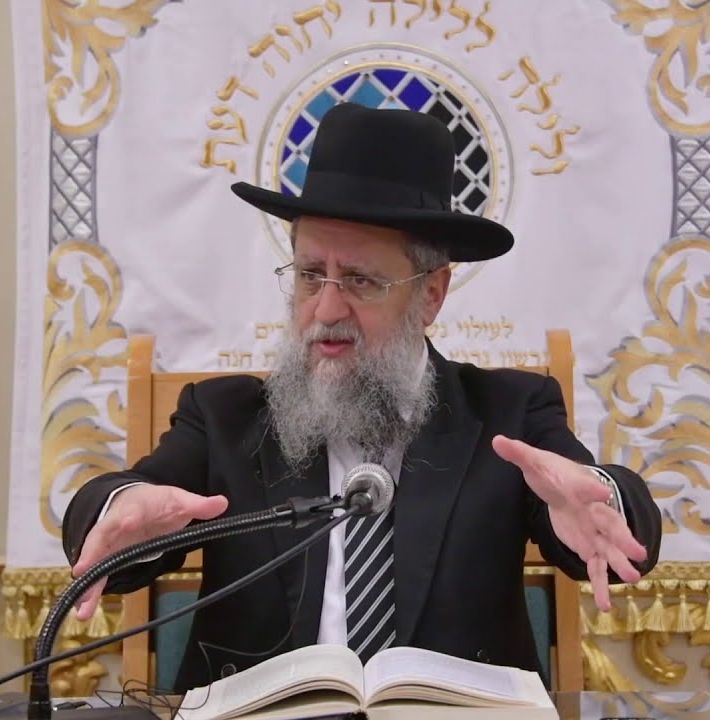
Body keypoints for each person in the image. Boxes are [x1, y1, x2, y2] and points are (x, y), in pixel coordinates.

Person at [62, 102, 662, 693]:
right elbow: (130, 503)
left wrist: (604, 501)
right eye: (309, 275)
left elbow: (610, 522)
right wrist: (120, 509)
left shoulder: (510, 411)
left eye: (360, 280)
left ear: (431, 294)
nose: (326, 309)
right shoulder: (223, 418)